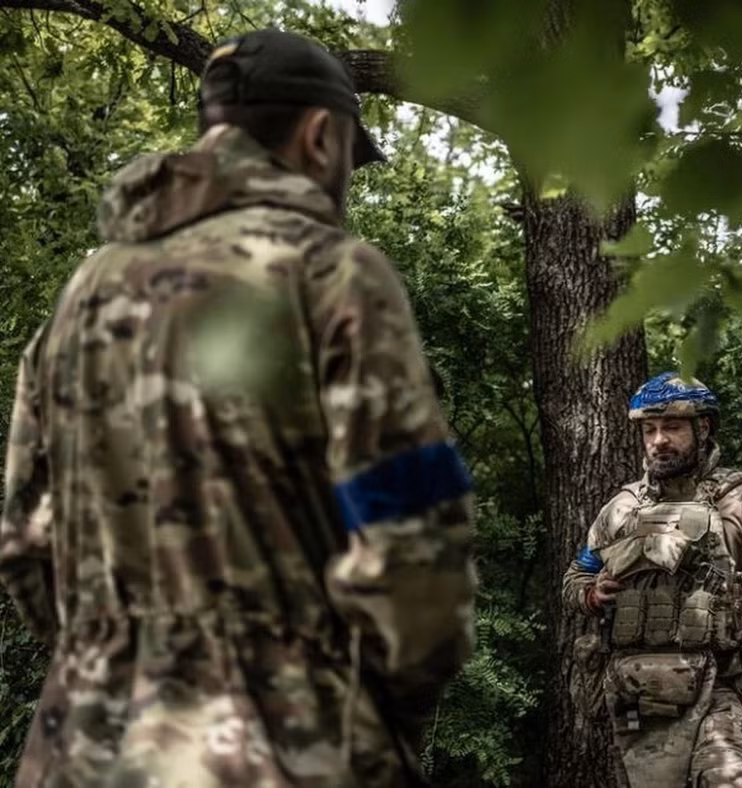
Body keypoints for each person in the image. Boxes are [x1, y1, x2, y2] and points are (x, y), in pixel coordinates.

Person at [0, 28, 476, 788]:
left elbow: (25, 543)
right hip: (281, 744)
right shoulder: (330, 273)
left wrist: (113, 660)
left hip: (80, 745)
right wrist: (377, 720)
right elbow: (416, 555)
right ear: (321, 137)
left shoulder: (85, 294)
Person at [562, 371, 742, 788]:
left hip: (725, 684)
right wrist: (590, 594)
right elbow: (577, 576)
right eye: (650, 429)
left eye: (672, 427)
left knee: (726, 779)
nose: (659, 440)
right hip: (637, 694)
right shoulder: (621, 510)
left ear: (703, 428)